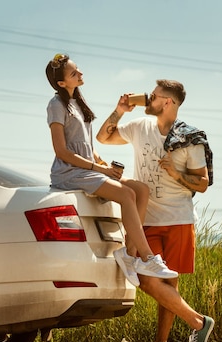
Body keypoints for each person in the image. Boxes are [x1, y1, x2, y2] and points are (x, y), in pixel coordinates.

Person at [96, 79, 215, 342]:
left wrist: (176, 174)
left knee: (168, 285)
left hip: (178, 218)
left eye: (156, 96)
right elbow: (103, 137)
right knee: (147, 280)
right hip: (145, 219)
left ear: (168, 102)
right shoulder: (139, 126)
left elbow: (202, 183)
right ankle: (198, 322)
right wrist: (119, 110)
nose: (150, 99)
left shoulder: (189, 138)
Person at [45, 54, 178, 280]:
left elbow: (84, 143)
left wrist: (102, 162)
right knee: (127, 194)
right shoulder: (56, 105)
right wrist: (100, 170)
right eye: (74, 73)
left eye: (78, 69)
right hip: (69, 172)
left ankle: (129, 254)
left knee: (141, 190)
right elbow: (62, 151)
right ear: (61, 83)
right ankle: (148, 258)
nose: (80, 74)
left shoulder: (78, 102)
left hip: (88, 169)